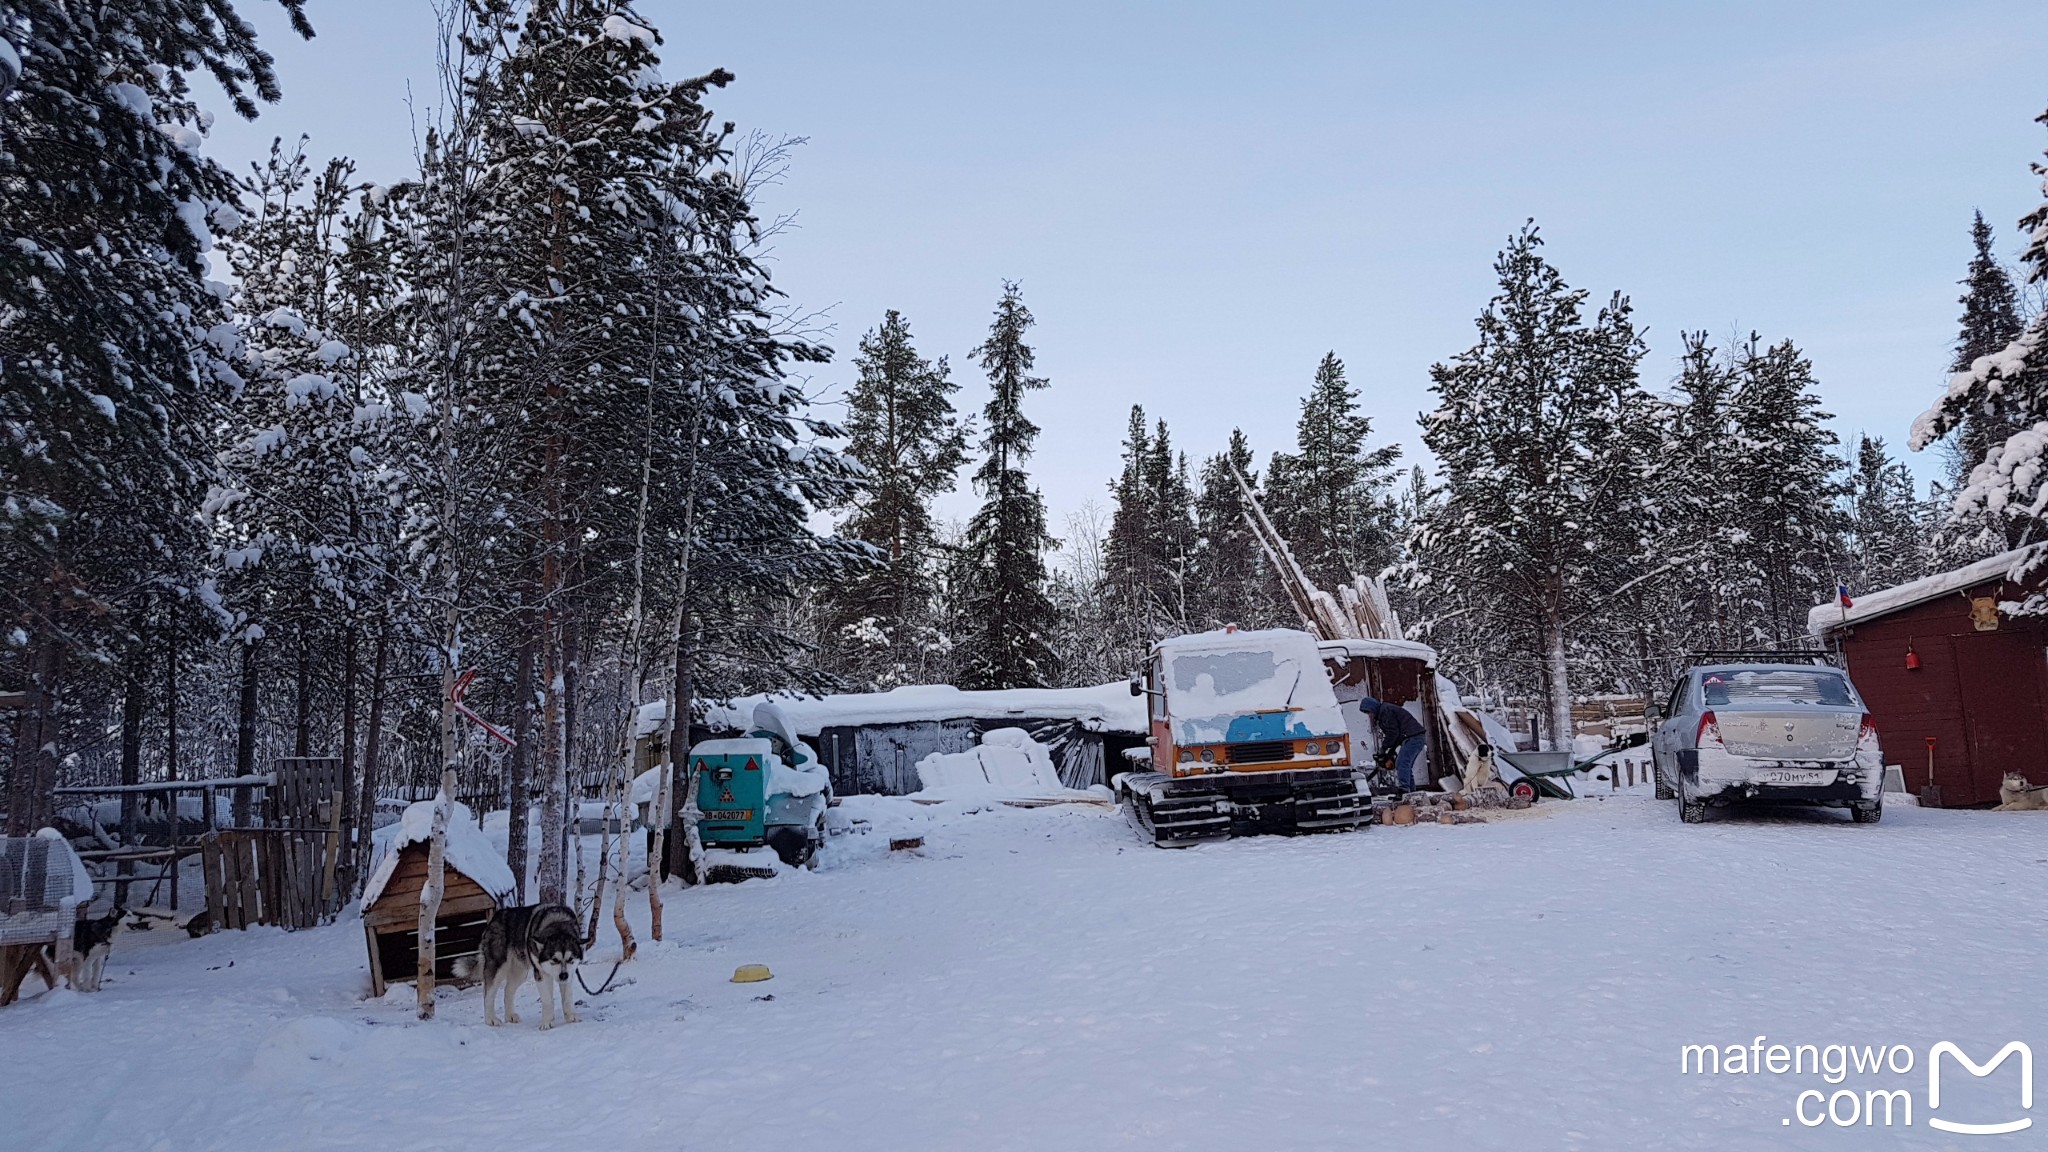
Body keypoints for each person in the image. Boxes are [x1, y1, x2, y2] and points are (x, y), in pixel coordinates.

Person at [1357, 695, 1426, 790]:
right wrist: (1391, 750)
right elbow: (1396, 734)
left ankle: (1404, 789)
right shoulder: (1383, 712)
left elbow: (1393, 733)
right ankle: (1411, 792)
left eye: (1369, 712)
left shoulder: (1386, 711)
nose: (1369, 715)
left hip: (1413, 737)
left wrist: (1384, 748)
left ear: (1372, 707)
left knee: (1402, 763)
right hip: (1412, 737)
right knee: (1405, 765)